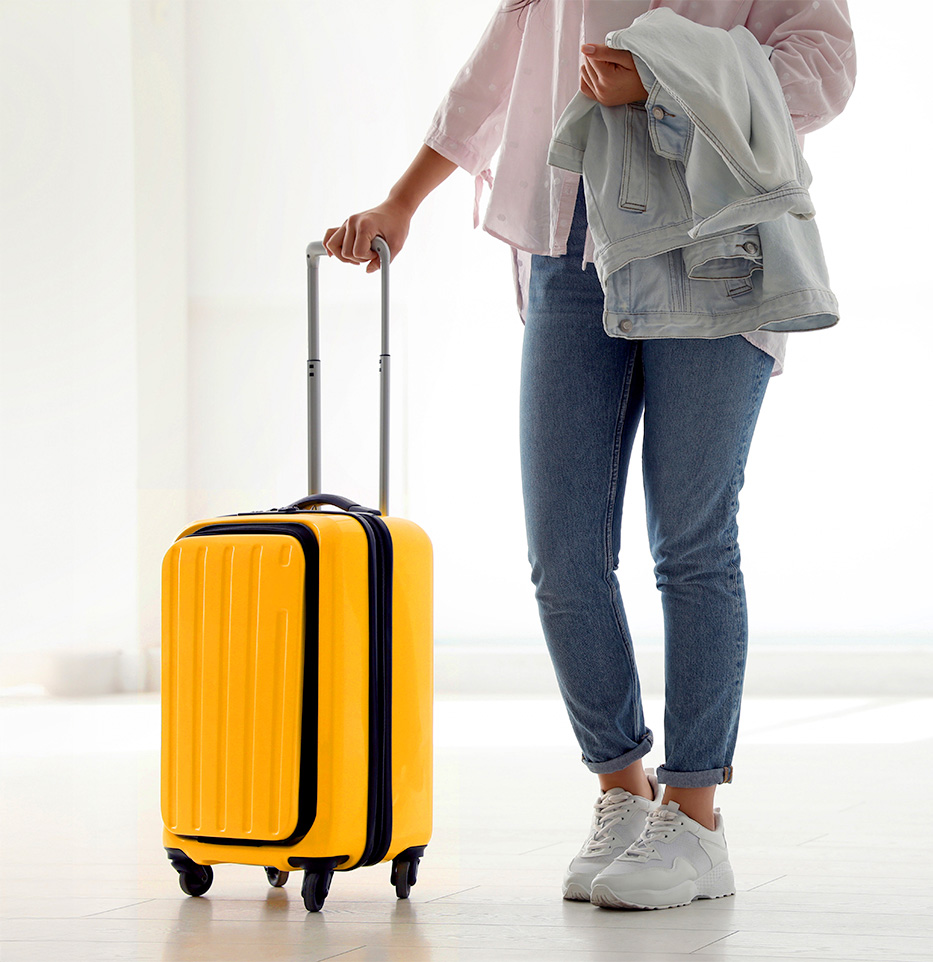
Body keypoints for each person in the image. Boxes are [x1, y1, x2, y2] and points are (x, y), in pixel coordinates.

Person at [324, 0, 856, 910]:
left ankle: (693, 818)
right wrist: (401, 200)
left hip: (716, 228)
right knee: (562, 552)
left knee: (690, 542)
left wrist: (666, 76)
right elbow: (489, 79)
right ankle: (621, 789)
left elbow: (823, 62)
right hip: (572, 237)